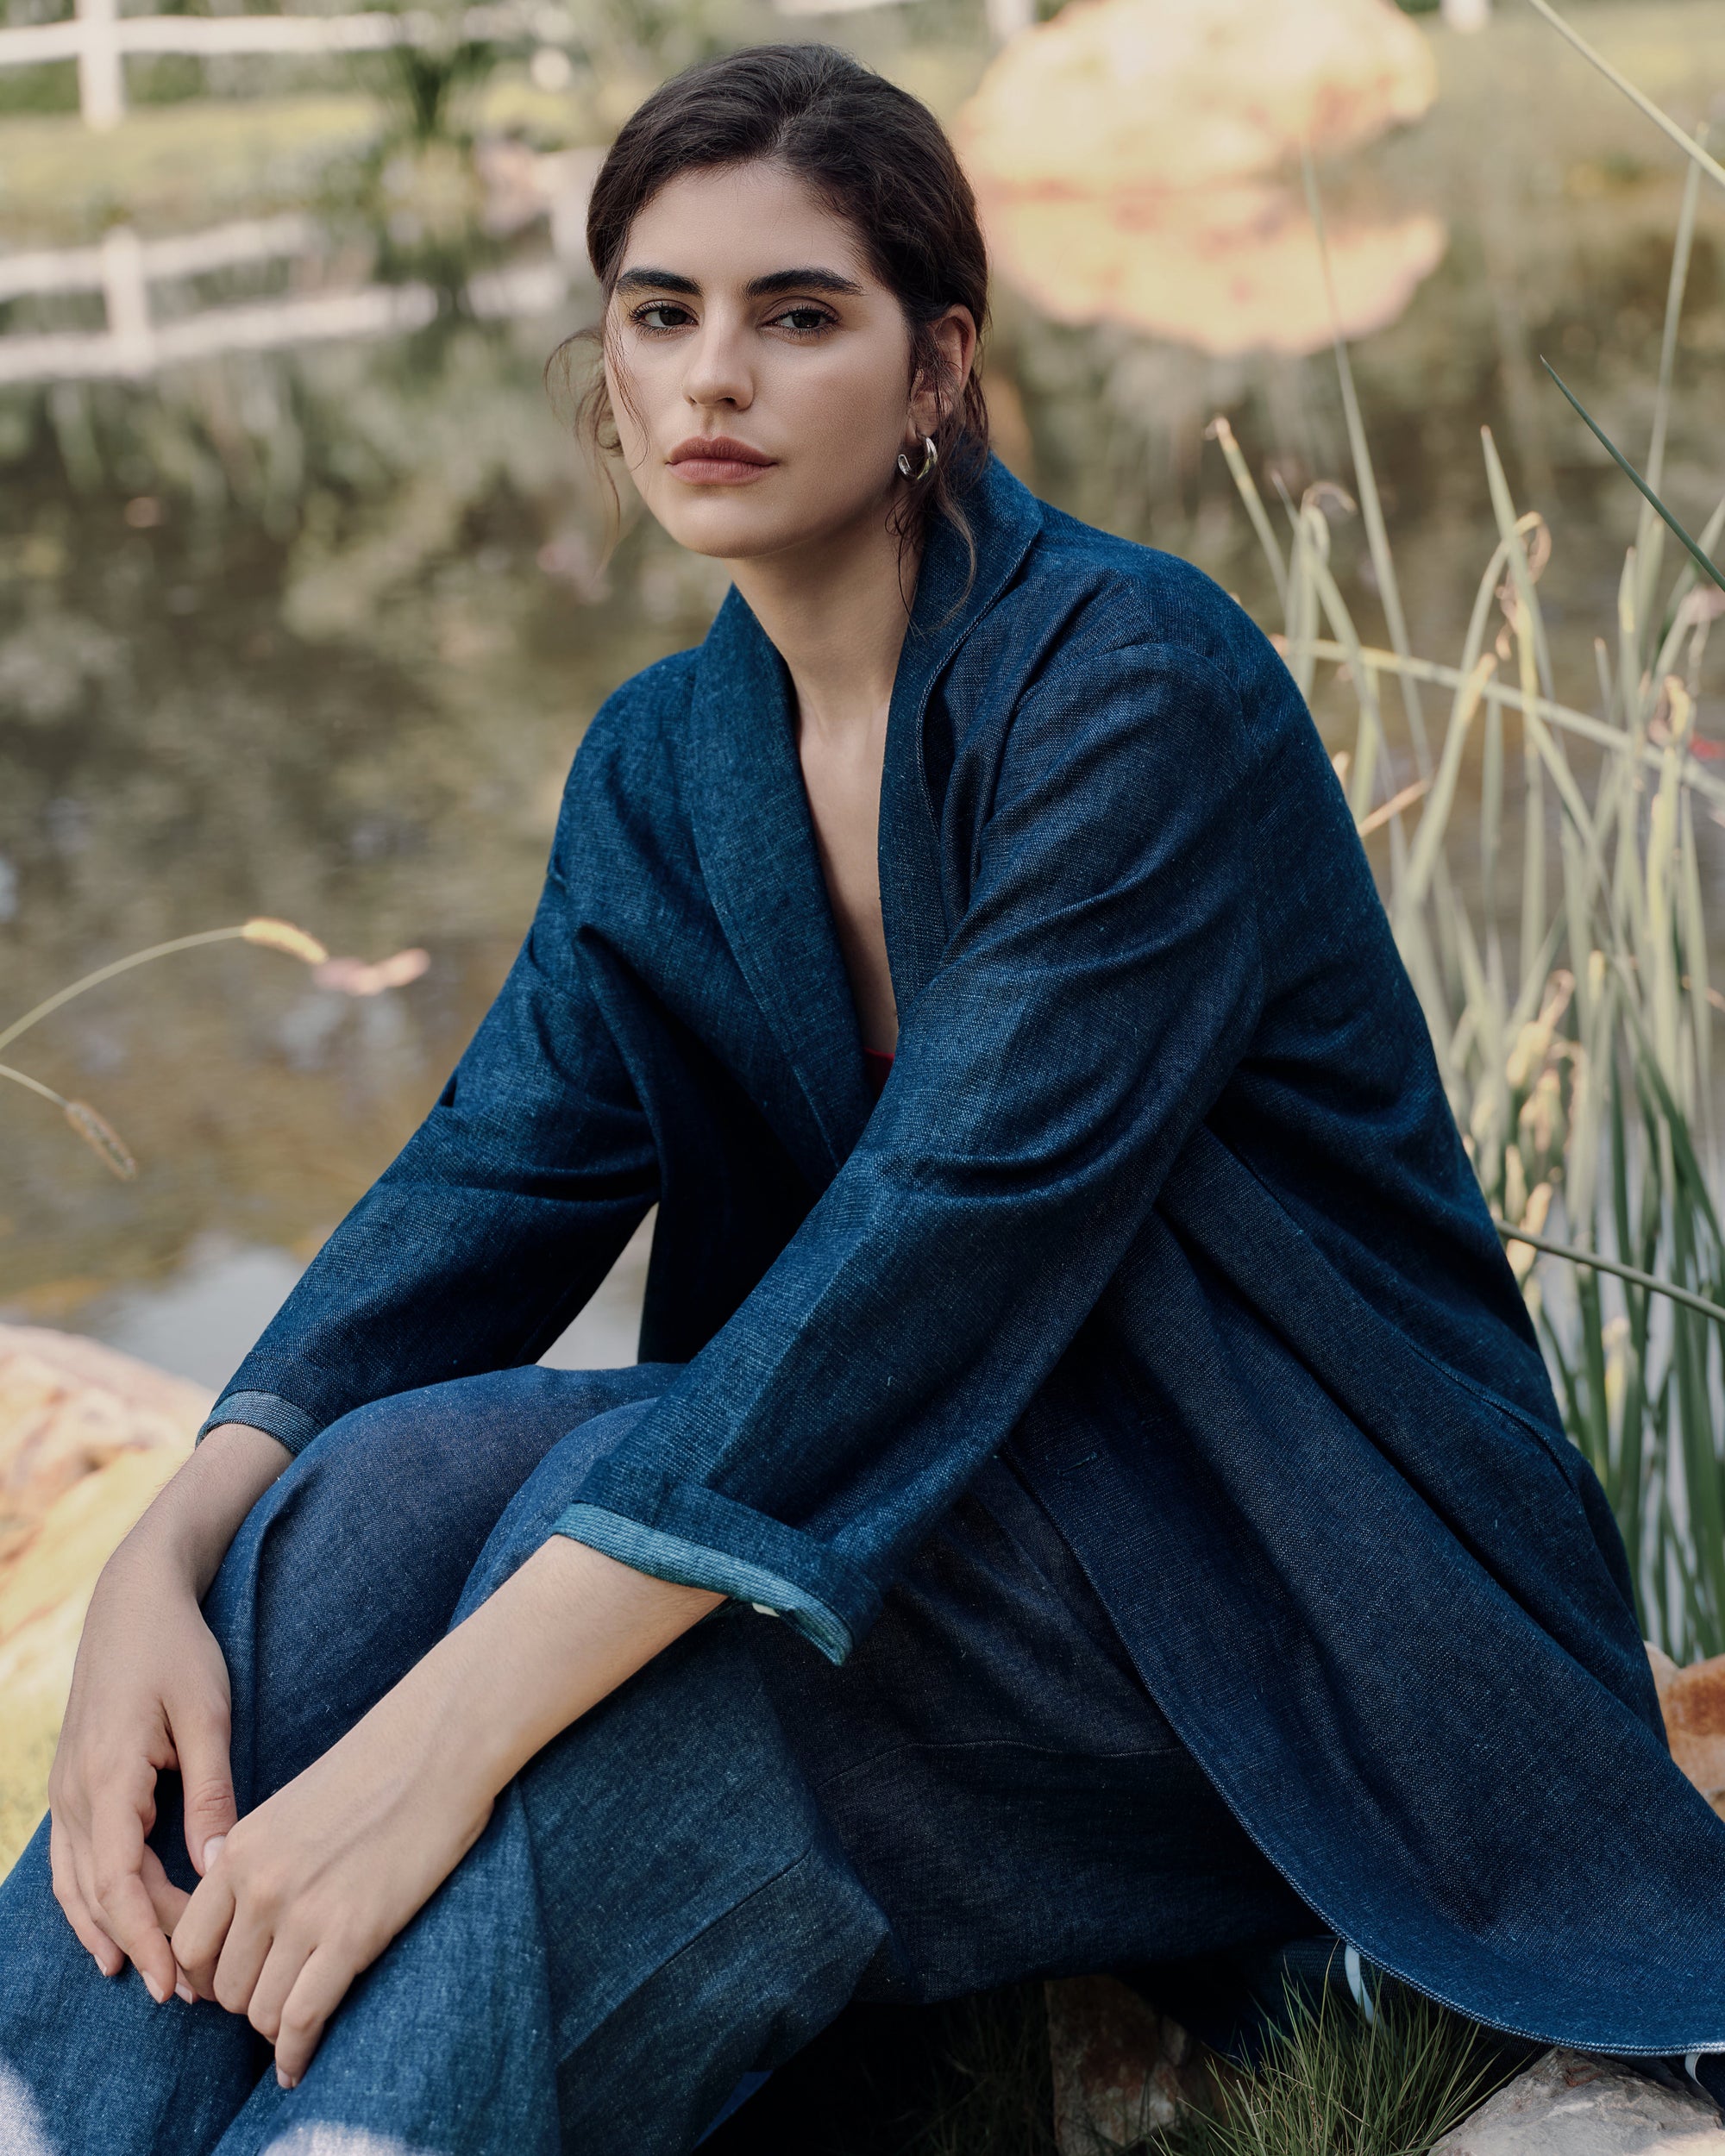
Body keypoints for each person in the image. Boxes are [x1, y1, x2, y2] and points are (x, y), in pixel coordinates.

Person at [3, 41, 1724, 2156]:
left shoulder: (1129, 695)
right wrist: (159, 1561)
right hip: (939, 1510)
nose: (712, 374)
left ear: (935, 370)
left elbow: (921, 1257)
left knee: (656, 1664)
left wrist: (433, 1746)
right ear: (607, 370)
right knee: (345, 1509)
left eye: (796, 313)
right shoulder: (665, 759)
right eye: (661, 312)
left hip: (1289, 1581)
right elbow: (479, 1189)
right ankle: (51, 2106)